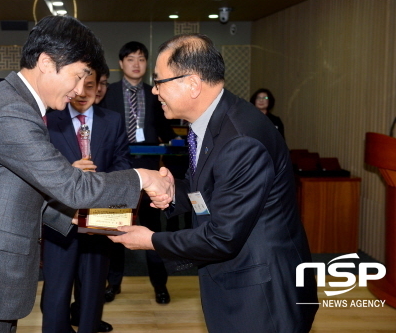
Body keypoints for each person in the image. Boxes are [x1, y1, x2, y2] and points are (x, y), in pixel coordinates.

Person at [0, 15, 173, 333]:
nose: (80, 89)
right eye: (77, 76)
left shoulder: (13, 103)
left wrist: (100, 223)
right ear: (46, 62)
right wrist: (145, 177)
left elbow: (17, 193)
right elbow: (72, 186)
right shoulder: (12, 111)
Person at [111, 34, 318, 333]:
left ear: (193, 83)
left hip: (261, 296)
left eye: (160, 81)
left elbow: (223, 237)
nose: (155, 90)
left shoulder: (241, 140)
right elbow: (214, 192)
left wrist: (151, 241)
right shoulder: (212, 122)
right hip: (235, 278)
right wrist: (174, 193)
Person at [41, 67, 130, 333]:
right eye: (78, 85)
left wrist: (99, 183)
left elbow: (123, 164)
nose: (83, 93)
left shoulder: (113, 120)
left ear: (99, 88)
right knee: (57, 292)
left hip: (100, 215)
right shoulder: (49, 119)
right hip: (60, 214)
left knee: (93, 291)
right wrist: (70, 171)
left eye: (90, 86)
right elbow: (40, 167)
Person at [100, 41, 176, 304]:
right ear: (121, 64)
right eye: (130, 59)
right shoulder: (107, 93)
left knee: (153, 229)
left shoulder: (155, 93)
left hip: (150, 168)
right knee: (119, 228)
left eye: (141, 59)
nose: (136, 64)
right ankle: (113, 282)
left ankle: (160, 285)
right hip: (118, 168)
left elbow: (166, 130)